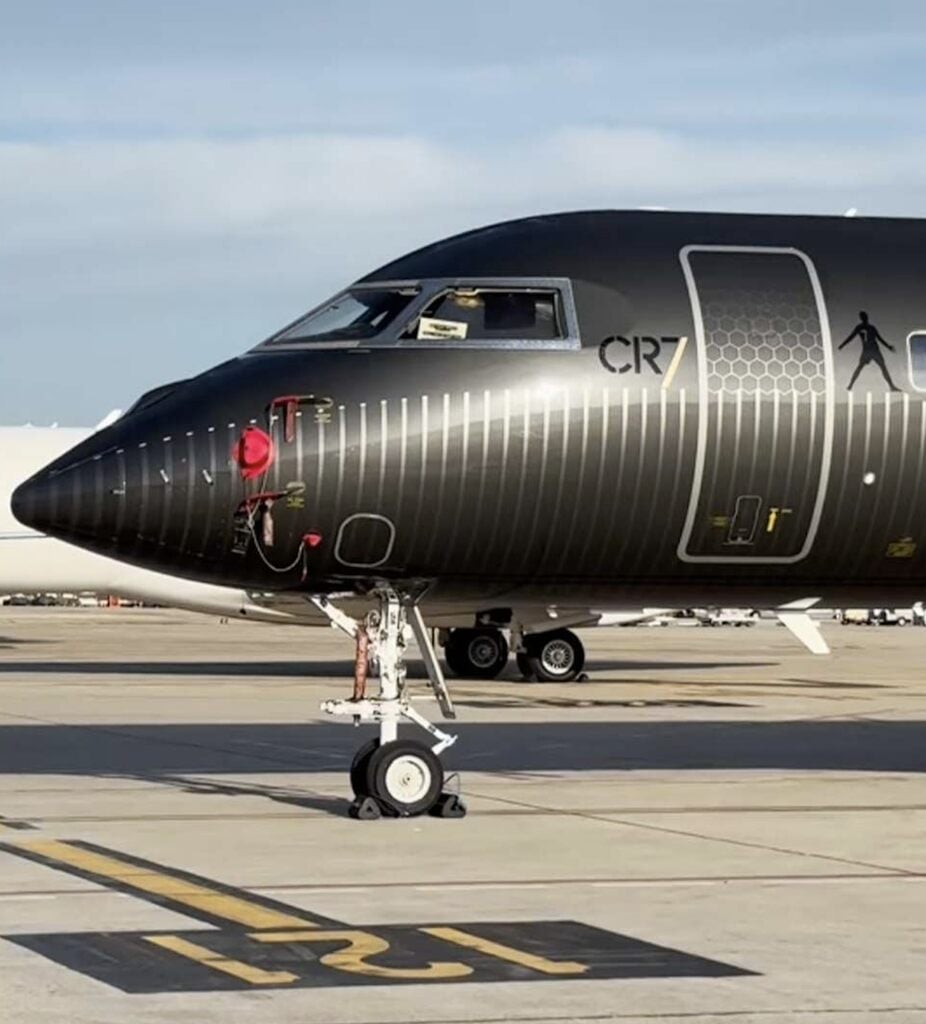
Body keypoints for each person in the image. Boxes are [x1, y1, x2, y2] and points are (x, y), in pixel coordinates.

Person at [839, 311, 901, 391]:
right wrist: (842, 345)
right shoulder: (860, 328)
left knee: (882, 367)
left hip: (875, 350)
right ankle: (850, 385)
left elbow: (879, 338)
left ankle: (891, 386)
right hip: (867, 351)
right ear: (861, 318)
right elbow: (851, 337)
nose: (865, 318)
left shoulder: (871, 328)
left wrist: (888, 346)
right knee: (860, 367)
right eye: (863, 317)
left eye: (865, 316)